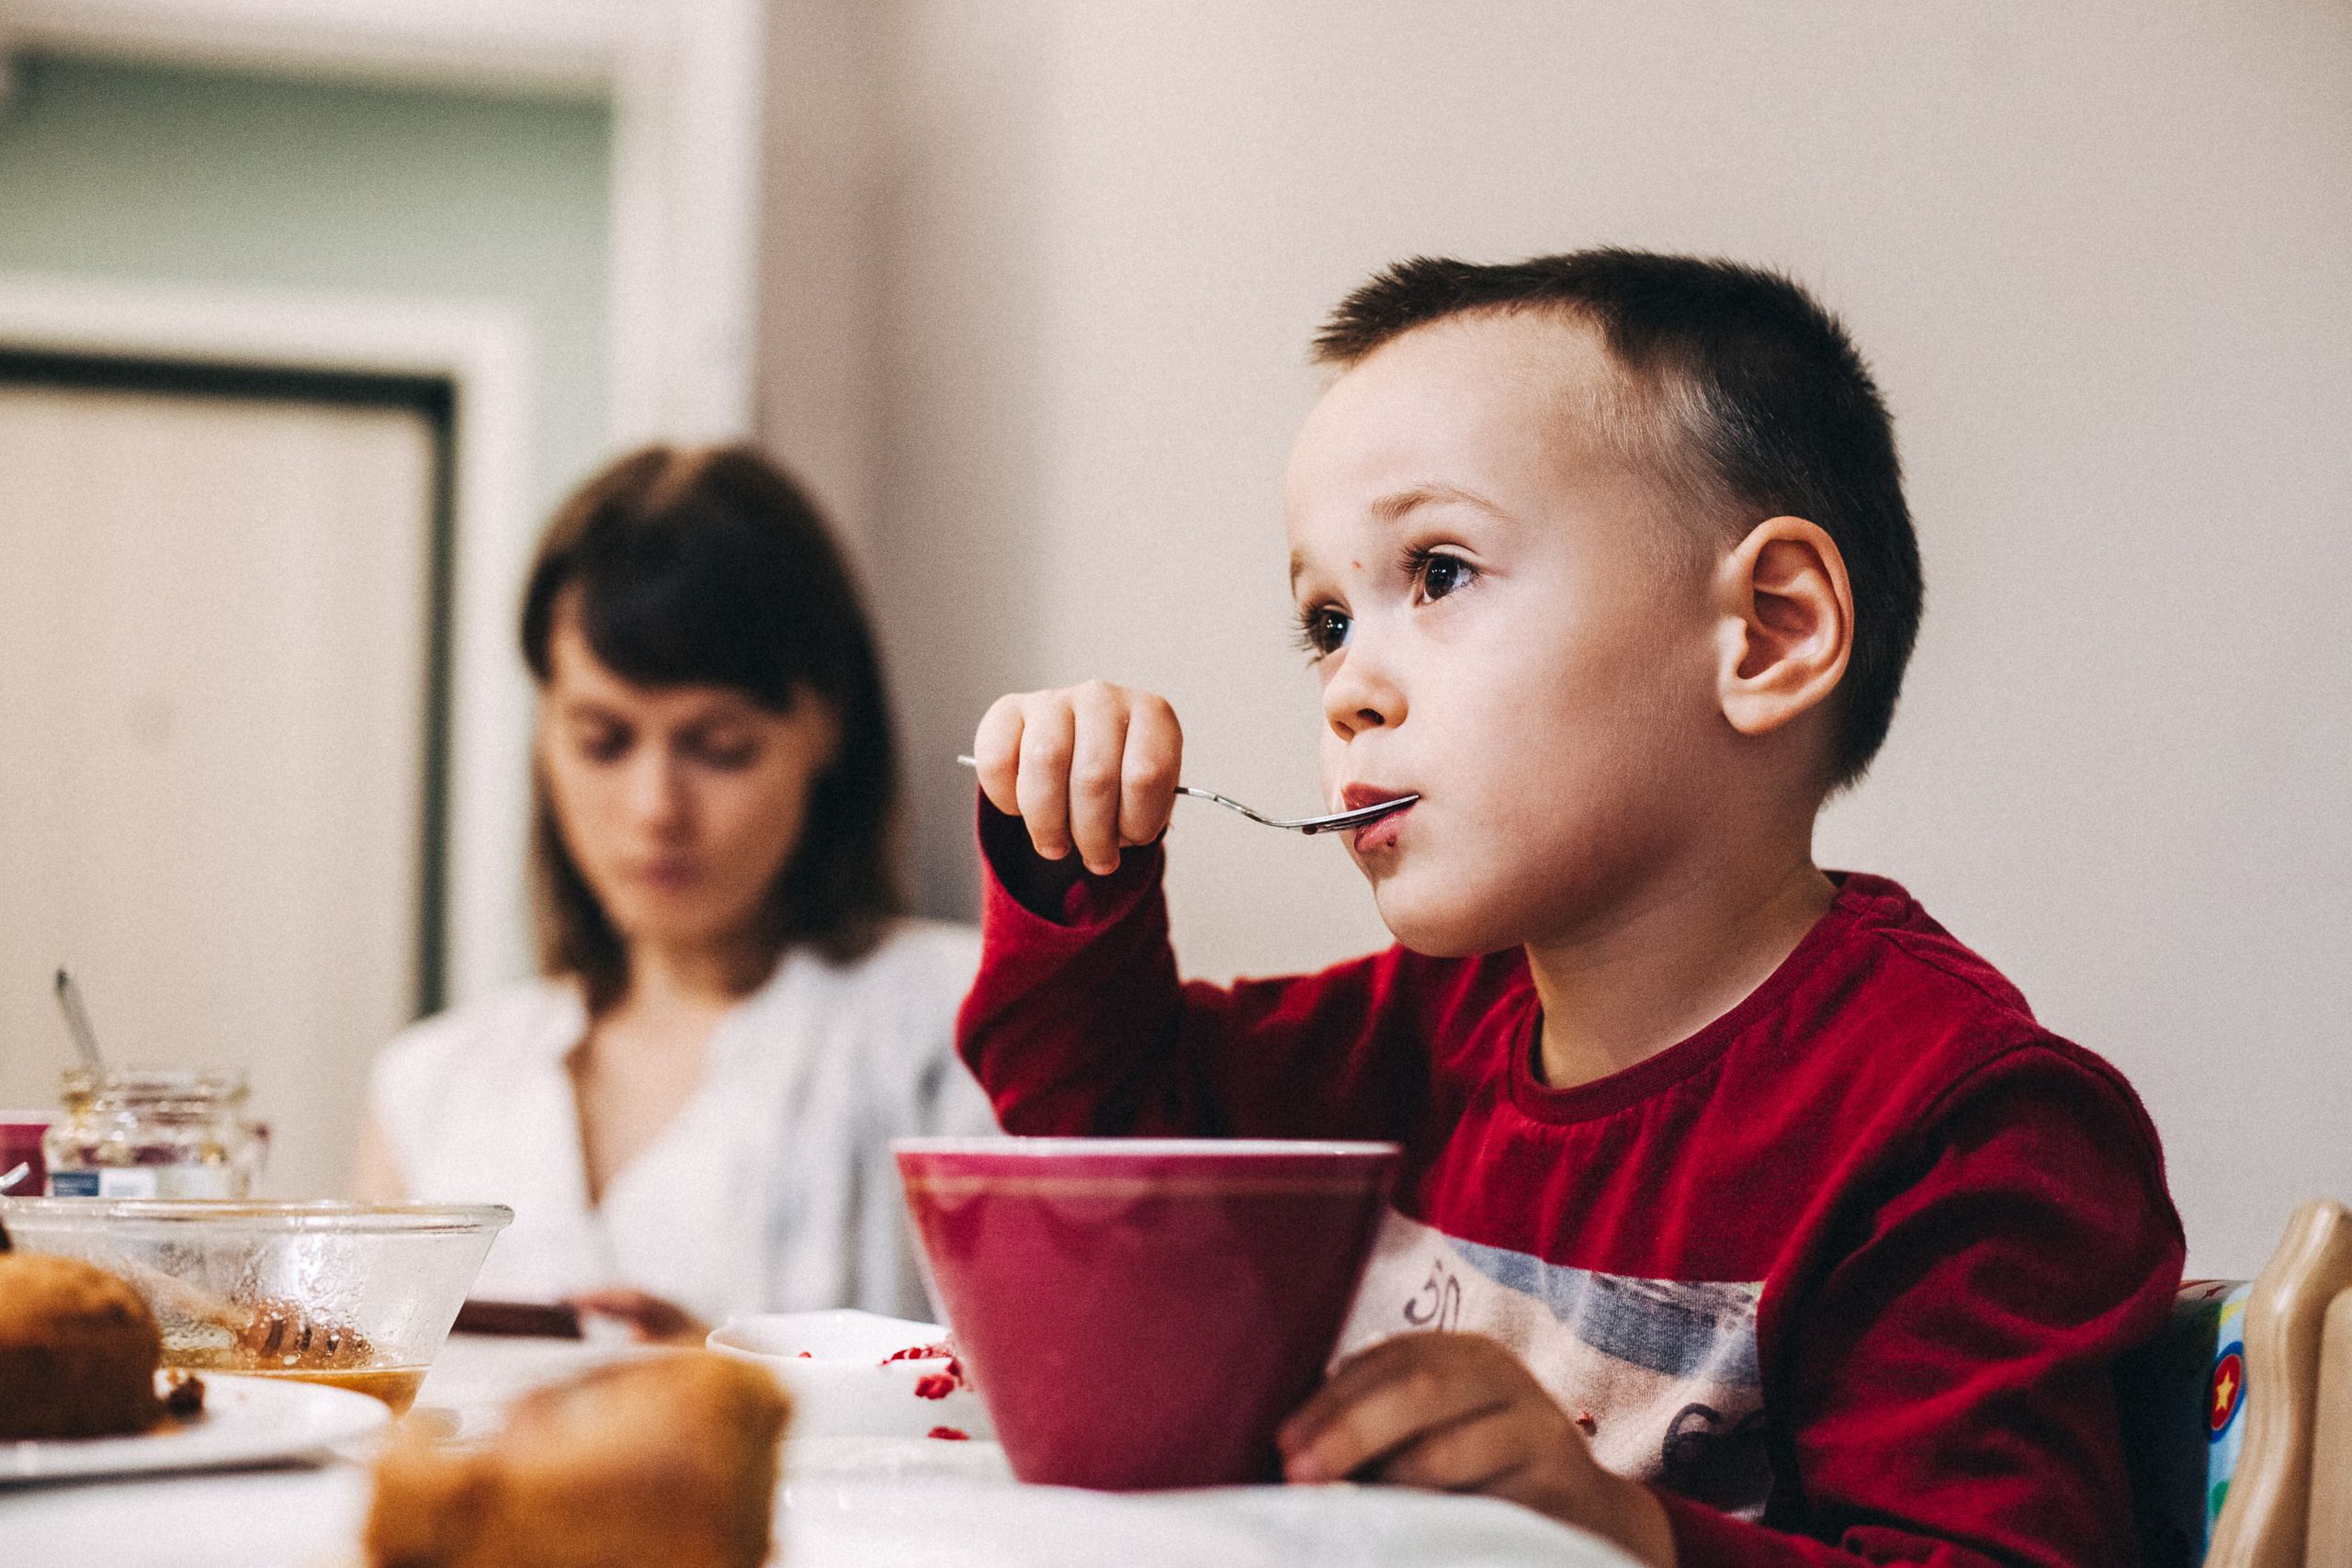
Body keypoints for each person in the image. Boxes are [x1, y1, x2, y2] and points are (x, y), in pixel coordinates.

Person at [959, 253, 2183, 1565]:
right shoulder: (1409, 1039)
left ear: (1769, 631)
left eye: (1436, 571)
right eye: (1325, 619)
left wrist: (1620, 1532)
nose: (1348, 687)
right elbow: (1107, 1132)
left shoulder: (1961, 1131)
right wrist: (1062, 852)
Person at [357, 444, 993, 1340]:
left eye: (719, 745)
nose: (655, 808)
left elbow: (1050, 1395)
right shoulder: (435, 1082)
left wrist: (748, 1382)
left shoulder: (958, 1024)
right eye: (602, 740)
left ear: (825, 728)